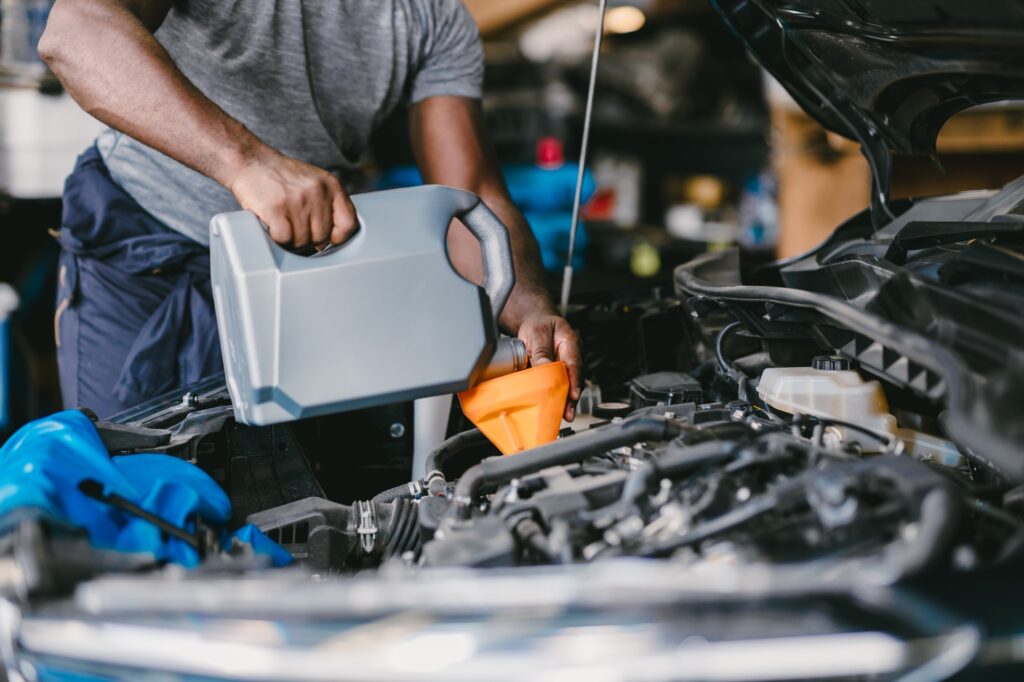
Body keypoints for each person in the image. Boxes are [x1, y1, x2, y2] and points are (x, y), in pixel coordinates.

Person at [38, 0, 581, 420]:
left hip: (294, 275)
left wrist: (529, 308)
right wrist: (247, 162)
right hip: (145, 258)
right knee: (129, 491)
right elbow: (76, 30)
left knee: (283, 497)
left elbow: (473, 199)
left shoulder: (433, 19)